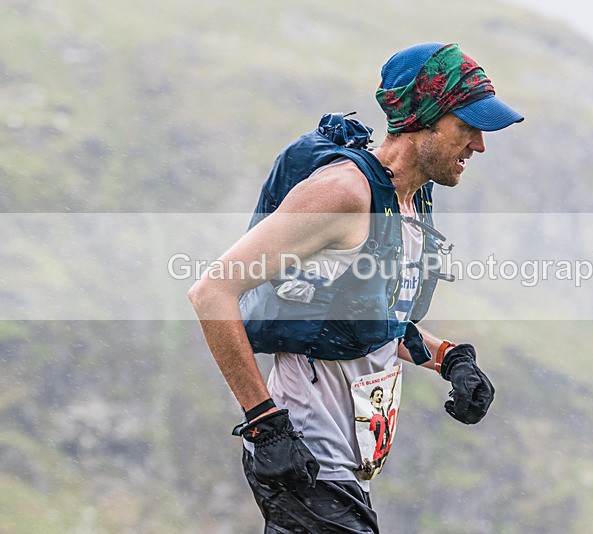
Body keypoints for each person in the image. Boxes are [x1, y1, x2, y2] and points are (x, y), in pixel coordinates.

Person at [188, 42, 523, 533]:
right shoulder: (343, 193)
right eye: (466, 126)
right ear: (421, 120)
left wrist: (450, 359)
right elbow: (211, 292)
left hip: (347, 469)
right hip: (305, 456)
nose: (479, 144)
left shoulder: (410, 198)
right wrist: (264, 423)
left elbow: (375, 318)